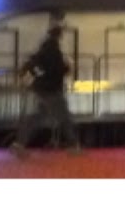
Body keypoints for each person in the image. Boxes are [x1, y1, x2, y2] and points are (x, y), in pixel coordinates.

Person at [11, 15, 80, 157]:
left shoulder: (44, 48)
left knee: (38, 117)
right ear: (59, 35)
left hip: (42, 88)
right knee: (64, 117)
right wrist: (67, 67)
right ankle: (73, 145)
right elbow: (56, 69)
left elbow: (34, 63)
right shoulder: (54, 50)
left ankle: (19, 143)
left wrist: (33, 76)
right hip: (52, 89)